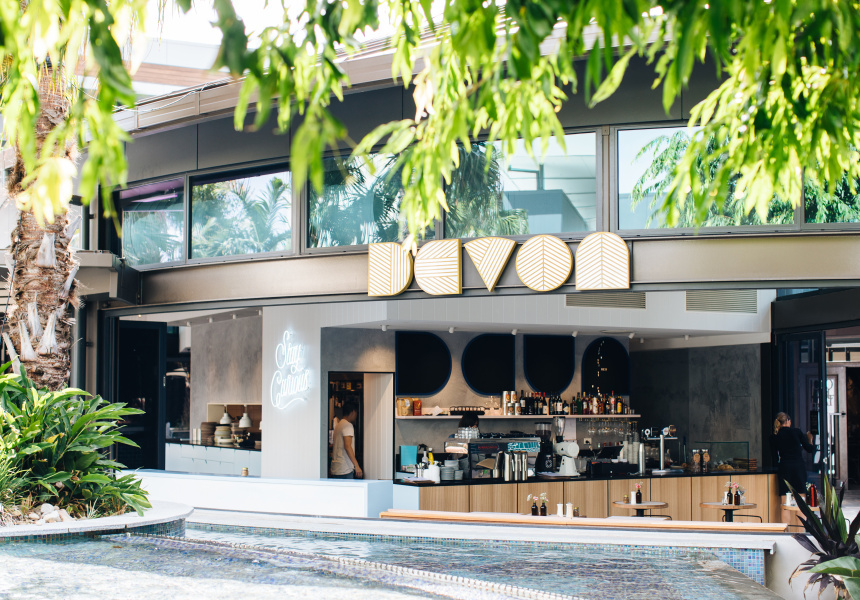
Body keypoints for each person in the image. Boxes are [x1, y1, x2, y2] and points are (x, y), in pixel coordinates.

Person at [772, 412, 816, 496]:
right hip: (798, 467)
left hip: (784, 467)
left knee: (784, 497)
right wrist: (810, 440)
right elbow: (810, 449)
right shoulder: (797, 432)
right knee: (801, 496)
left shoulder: (775, 436)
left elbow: (774, 457)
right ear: (787, 421)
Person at [331, 400, 362, 479]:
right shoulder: (348, 425)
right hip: (345, 469)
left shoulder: (338, 425)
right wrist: (357, 466)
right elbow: (347, 446)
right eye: (356, 413)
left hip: (336, 468)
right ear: (353, 412)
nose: (356, 415)